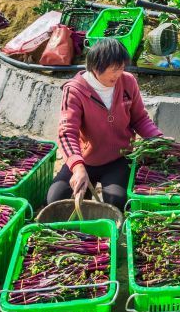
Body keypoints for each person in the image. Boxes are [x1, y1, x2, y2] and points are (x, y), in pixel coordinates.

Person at [49, 38, 163, 209]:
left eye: (122, 68)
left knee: (117, 201)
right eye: (114, 70)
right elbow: (67, 133)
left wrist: (158, 139)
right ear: (96, 67)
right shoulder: (75, 90)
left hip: (118, 158)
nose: (119, 74)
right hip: (85, 159)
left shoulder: (128, 82)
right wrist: (78, 167)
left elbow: (140, 118)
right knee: (57, 199)